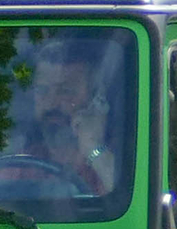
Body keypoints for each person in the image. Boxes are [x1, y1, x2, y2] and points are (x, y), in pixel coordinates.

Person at [19, 37, 115, 195]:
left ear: (94, 100)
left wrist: (94, 149)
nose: (51, 104)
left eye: (65, 91)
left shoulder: (119, 162)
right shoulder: (21, 160)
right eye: (42, 91)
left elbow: (134, 207)